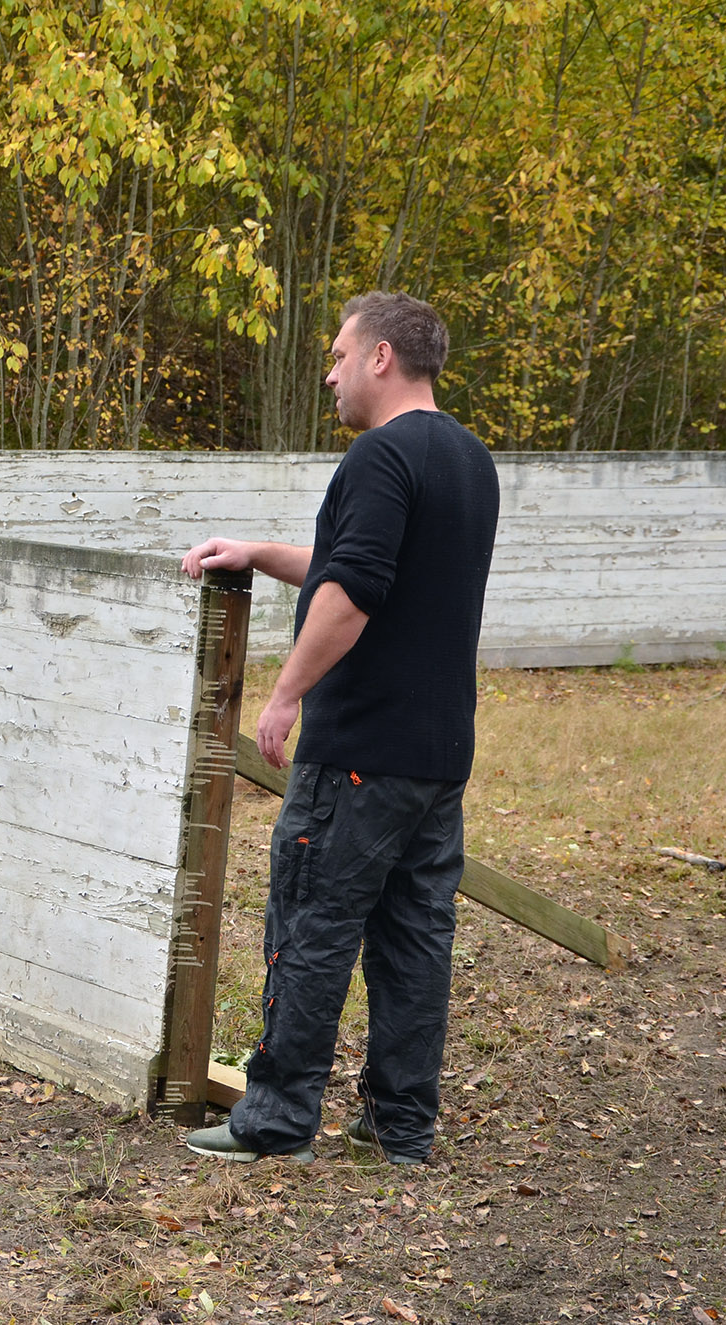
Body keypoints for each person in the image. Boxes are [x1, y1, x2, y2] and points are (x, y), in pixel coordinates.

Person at [179, 292, 499, 1166]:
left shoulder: (379, 456)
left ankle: (277, 1118)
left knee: (312, 925)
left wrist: (285, 694)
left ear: (382, 357)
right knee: (414, 940)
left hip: (357, 750)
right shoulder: (470, 461)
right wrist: (257, 551)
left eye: (338, 354)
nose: (329, 372)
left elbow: (353, 596)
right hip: (437, 758)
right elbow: (355, 568)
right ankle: (401, 1125)